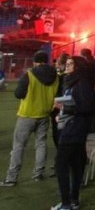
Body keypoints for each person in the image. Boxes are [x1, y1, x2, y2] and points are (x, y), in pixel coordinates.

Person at [1, 51, 59, 187]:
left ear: (35, 61)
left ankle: (12, 178)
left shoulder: (30, 74)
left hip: (27, 113)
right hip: (45, 113)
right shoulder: (55, 75)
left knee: (19, 146)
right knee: (41, 143)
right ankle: (38, 174)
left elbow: (19, 93)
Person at [51, 56, 95, 210]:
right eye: (67, 63)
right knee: (76, 163)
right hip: (72, 125)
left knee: (61, 163)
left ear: (78, 66)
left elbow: (86, 107)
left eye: (71, 64)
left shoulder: (82, 82)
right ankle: (73, 200)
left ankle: (66, 203)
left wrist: (65, 109)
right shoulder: (72, 81)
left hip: (75, 128)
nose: (67, 66)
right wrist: (62, 111)